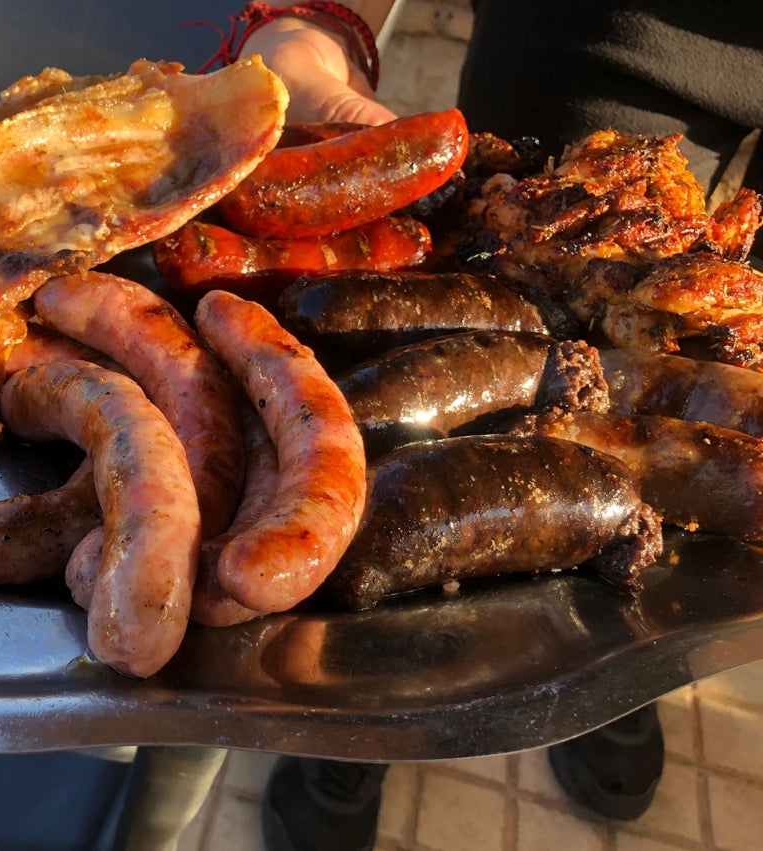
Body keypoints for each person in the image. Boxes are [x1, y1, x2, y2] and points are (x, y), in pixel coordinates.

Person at [233, 2, 763, 849]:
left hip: (712, 272)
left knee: (669, 526)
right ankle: (363, 724)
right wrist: (316, 17)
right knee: (410, 487)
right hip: (539, 164)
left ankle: (620, 687)